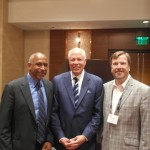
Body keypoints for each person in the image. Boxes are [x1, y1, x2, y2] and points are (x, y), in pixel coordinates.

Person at [51, 47, 104, 150]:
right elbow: (53, 112)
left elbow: (98, 114)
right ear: (68, 61)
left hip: (86, 143)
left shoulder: (96, 82)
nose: (76, 62)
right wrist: (61, 136)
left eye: (79, 59)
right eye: (72, 59)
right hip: (63, 142)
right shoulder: (57, 80)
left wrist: (85, 136)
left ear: (85, 62)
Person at [0, 52, 54, 150]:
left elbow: (50, 117)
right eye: (38, 64)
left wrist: (49, 140)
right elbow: (3, 125)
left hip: (43, 146)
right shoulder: (13, 88)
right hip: (19, 146)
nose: (43, 68)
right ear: (29, 65)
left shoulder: (49, 86)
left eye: (45, 65)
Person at [101, 51, 150, 150]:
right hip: (106, 145)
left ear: (129, 67)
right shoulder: (104, 88)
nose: (119, 66)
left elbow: (147, 129)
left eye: (123, 63)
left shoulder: (143, 91)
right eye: (115, 64)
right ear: (111, 67)